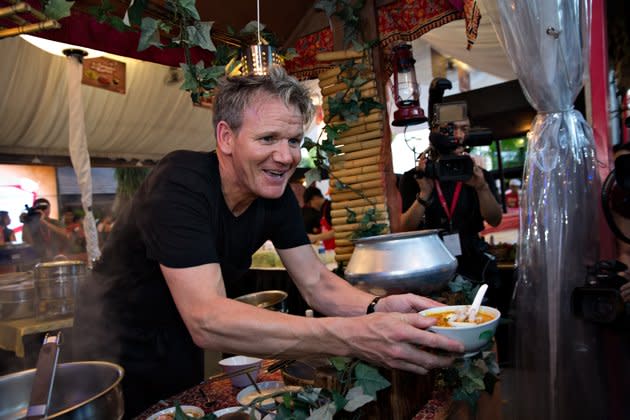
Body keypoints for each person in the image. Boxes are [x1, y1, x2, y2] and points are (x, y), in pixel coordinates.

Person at [73, 67, 464, 418]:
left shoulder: (273, 193)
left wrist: (376, 306)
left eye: (294, 140)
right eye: (268, 138)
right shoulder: (181, 182)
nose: (285, 156)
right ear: (226, 137)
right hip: (110, 349)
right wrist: (351, 337)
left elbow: (317, 284)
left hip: (178, 343)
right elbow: (207, 318)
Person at [397, 113, 503, 298]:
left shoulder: (478, 175)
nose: (459, 135)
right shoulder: (415, 177)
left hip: (473, 264)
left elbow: (494, 220)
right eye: (451, 128)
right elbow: (403, 229)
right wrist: (424, 194)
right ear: (435, 132)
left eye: (465, 129)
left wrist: (481, 187)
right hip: (428, 267)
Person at [302, 185, 335, 249]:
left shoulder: (329, 207)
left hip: (338, 250)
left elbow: (337, 231)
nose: (311, 206)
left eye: (309, 203)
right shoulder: (322, 210)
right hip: (330, 250)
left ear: (315, 197)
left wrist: (315, 237)